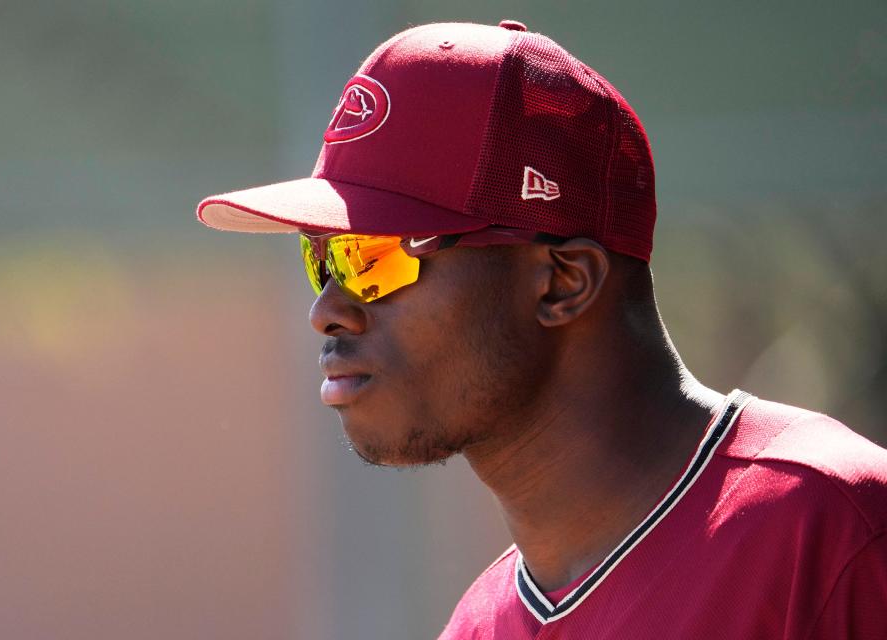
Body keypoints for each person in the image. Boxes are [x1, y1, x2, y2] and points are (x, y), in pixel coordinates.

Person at [196, 20, 887, 639]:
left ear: (563, 281)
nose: (328, 309)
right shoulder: (479, 625)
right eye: (323, 257)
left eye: (374, 257)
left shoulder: (835, 532)